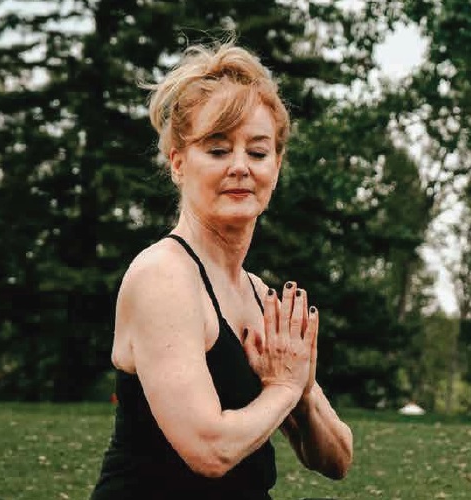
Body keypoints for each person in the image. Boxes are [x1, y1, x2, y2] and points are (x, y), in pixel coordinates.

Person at [90, 41, 353, 500]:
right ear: (177, 163)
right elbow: (208, 449)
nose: (240, 168)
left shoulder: (258, 294)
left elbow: (337, 459)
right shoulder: (163, 276)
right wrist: (284, 387)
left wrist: (302, 389)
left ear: (276, 165)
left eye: (257, 151)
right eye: (216, 150)